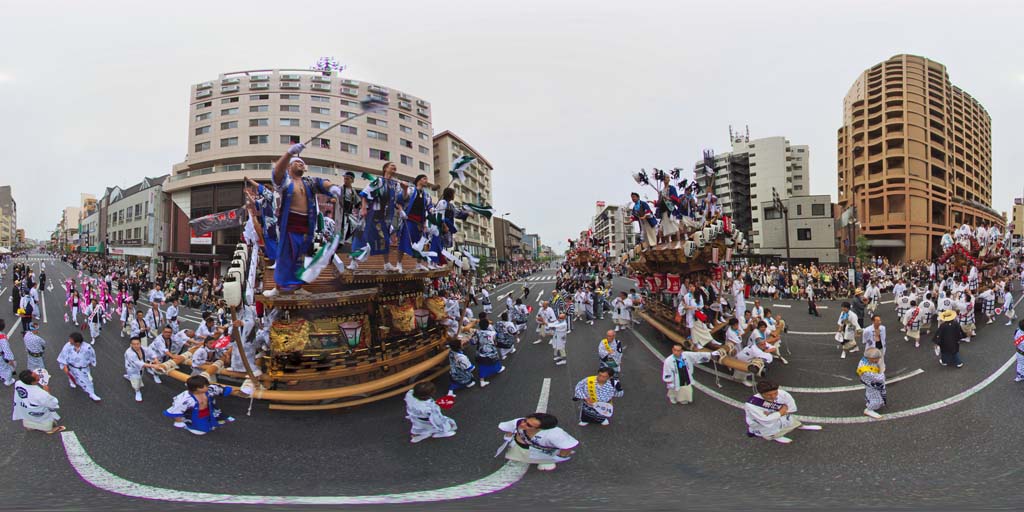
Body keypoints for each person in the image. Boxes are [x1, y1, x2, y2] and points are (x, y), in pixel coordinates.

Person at [264, 143, 343, 296]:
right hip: (290, 225)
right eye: (296, 162)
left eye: (302, 163)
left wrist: (332, 188)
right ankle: (279, 288)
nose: (300, 164)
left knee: (302, 259)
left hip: (307, 226)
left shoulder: (309, 182)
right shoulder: (285, 182)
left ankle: (298, 287)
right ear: (289, 167)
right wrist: (288, 153)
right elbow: (277, 173)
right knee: (284, 257)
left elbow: (322, 182)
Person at [356, 161, 405, 272]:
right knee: (365, 239)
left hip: (386, 218)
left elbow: (398, 200)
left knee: (385, 240)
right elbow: (364, 194)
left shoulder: (394, 185)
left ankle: (386, 264)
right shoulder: (378, 181)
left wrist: (401, 210)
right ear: (385, 168)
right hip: (373, 215)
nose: (394, 167)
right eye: (391, 165)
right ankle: (354, 261)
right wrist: (363, 208)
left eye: (395, 166)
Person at [744, 380, 821, 444]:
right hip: (764, 424)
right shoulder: (752, 404)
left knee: (791, 421)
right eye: (769, 395)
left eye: (775, 393)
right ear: (761, 393)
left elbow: (790, 405)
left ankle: (800, 426)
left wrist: (778, 413)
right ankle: (777, 436)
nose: (773, 396)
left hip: (781, 415)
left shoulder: (782, 394)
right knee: (771, 431)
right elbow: (765, 420)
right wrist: (780, 412)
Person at [498, 412, 579, 472]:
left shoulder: (555, 434)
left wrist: (559, 457)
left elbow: (567, 446)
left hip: (546, 450)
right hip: (527, 444)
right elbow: (509, 428)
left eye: (529, 425)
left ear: (541, 428)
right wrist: (508, 437)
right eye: (525, 421)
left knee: (545, 460)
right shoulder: (518, 422)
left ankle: (546, 461)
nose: (523, 424)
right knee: (514, 444)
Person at [163, 375, 237, 435]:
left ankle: (210, 424)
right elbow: (177, 409)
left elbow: (220, 389)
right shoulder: (184, 399)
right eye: (205, 386)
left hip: (210, 410)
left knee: (213, 421)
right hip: (196, 414)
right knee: (202, 428)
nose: (207, 387)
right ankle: (193, 426)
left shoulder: (209, 390)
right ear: (196, 388)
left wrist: (234, 390)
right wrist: (179, 421)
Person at [12, 369, 64, 434]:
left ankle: (30, 426)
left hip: (24, 407)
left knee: (27, 416)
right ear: (33, 382)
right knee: (44, 419)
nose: (39, 376)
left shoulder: (18, 383)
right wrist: (47, 392)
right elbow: (52, 403)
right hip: (37, 410)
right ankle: (49, 430)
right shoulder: (40, 393)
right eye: (37, 377)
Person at [57, 332, 101, 402]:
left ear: (77, 342)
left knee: (88, 381)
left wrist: (90, 363)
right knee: (71, 375)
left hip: (82, 368)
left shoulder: (87, 348)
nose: (69, 341)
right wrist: (64, 366)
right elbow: (63, 355)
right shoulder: (68, 345)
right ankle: (72, 382)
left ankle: (92, 393)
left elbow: (92, 355)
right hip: (71, 366)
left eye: (71, 340)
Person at [124, 336, 163, 402]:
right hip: (132, 368)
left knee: (139, 376)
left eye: (138, 343)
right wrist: (153, 366)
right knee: (137, 380)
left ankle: (129, 377)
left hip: (140, 367)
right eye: (134, 344)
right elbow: (138, 363)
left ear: (140, 343)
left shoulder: (143, 348)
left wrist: (156, 359)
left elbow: (151, 352)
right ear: (130, 344)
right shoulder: (129, 353)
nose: (136, 346)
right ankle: (137, 391)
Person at [469, 318, 504, 386]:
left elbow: (473, 342)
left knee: (482, 366)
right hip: (492, 353)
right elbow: (496, 343)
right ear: (488, 325)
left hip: (481, 354)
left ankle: (482, 380)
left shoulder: (478, 333)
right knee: (496, 360)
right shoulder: (493, 333)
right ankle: (498, 369)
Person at [858, 348, 886, 419]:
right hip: (873, 383)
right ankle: (869, 410)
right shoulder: (867, 370)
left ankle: (869, 402)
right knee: (877, 399)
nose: (878, 360)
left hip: (869, 382)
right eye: (876, 358)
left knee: (869, 393)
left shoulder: (865, 359)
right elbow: (880, 378)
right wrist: (882, 371)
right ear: (871, 358)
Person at [0, 320, 15, 386]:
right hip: (1, 355)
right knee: (7, 368)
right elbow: (6, 348)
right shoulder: (2, 337)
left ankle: (1, 375)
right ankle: (8, 381)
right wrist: (10, 359)